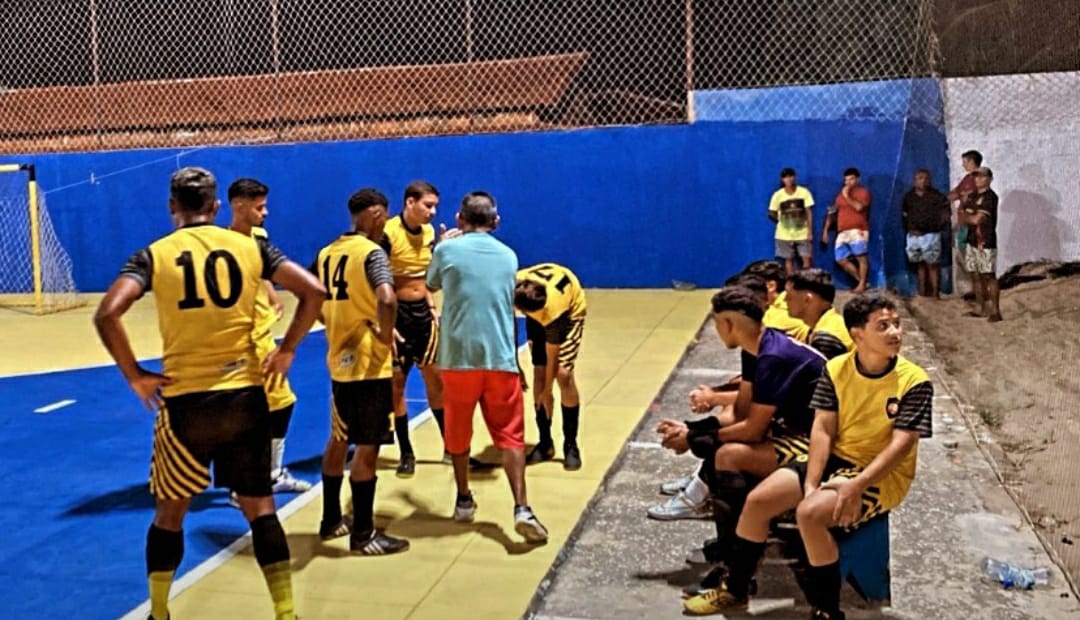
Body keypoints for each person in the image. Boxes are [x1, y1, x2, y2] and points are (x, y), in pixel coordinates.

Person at [93, 167, 326, 620]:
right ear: (216, 207)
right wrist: (289, 349)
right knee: (261, 510)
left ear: (171, 207)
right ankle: (285, 612)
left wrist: (136, 375)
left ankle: (159, 611)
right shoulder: (251, 245)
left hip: (186, 404)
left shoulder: (153, 254)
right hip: (244, 398)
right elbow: (313, 291)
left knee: (169, 514)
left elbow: (107, 314)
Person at [682, 293, 932, 619]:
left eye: (896, 325)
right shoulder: (837, 369)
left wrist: (855, 486)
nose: (895, 333)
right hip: (836, 458)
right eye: (883, 326)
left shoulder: (914, 381)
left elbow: (901, 445)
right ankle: (736, 590)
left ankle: (827, 612)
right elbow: (823, 430)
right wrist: (812, 482)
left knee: (809, 514)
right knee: (758, 502)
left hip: (880, 472)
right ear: (857, 334)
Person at [658, 286, 825, 591]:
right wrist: (688, 429)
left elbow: (752, 430)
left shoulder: (774, 356)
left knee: (728, 455)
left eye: (716, 322)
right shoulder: (756, 348)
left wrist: (694, 438)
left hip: (821, 442)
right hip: (793, 430)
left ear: (730, 324)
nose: (715, 328)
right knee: (720, 448)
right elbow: (739, 413)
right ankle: (732, 551)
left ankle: (736, 566)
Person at [426, 191, 548, 543]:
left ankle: (464, 499)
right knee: (510, 437)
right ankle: (522, 506)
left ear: (460, 220)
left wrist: (440, 244)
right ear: (495, 222)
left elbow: (431, 283)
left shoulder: (447, 250)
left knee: (458, 432)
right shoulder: (509, 256)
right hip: (500, 359)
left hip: (458, 360)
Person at [313, 188, 410, 555]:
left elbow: (313, 295)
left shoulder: (328, 252)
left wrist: (340, 323)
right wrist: (385, 332)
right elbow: (387, 297)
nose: (385, 221)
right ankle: (364, 535)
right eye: (383, 215)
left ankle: (331, 519)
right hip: (369, 365)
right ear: (372, 213)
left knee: (338, 438)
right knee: (367, 448)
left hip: (339, 361)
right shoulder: (372, 253)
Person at [226, 178, 311, 504]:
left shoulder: (259, 237)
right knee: (267, 406)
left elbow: (262, 273)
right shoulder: (227, 243)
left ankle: (266, 474)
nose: (266, 212)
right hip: (247, 338)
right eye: (259, 207)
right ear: (239, 206)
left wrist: (272, 296)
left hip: (262, 330)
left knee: (271, 405)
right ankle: (246, 482)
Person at [379, 180, 445, 476]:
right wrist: (386, 324)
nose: (432, 212)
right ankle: (406, 452)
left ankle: (452, 446)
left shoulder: (430, 234)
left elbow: (425, 278)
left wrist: (432, 309)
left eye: (434, 206)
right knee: (397, 385)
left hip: (423, 315)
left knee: (436, 379)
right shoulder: (388, 234)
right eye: (427, 205)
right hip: (397, 317)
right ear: (409, 203)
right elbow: (377, 283)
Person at [515, 262, 587, 470]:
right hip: (538, 312)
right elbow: (507, 326)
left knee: (563, 375)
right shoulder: (511, 287)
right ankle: (545, 442)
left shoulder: (554, 311)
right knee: (538, 373)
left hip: (570, 313)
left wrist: (547, 392)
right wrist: (515, 364)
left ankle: (570, 444)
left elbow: (552, 357)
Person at [961, 167, 1002, 322]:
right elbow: (964, 217)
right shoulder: (972, 196)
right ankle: (981, 308)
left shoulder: (990, 197)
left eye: (982, 176)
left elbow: (976, 219)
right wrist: (967, 216)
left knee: (989, 275)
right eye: (976, 177)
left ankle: (995, 310)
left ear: (990, 179)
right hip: (972, 240)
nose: (978, 179)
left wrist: (967, 216)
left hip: (985, 242)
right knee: (974, 275)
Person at [901, 169, 950, 298]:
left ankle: (935, 294)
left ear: (929, 180)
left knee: (933, 265)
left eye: (925, 178)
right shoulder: (909, 197)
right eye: (919, 178)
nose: (922, 181)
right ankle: (922, 293)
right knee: (920, 265)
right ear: (915, 180)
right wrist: (909, 229)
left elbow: (945, 215)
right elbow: (905, 214)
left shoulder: (937, 196)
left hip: (931, 235)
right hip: (914, 236)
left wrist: (936, 228)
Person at [821, 168, 872, 292]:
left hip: (858, 229)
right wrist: (825, 231)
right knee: (840, 259)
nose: (848, 182)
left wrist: (847, 196)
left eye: (851, 179)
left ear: (857, 179)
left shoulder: (863, 192)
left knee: (861, 257)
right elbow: (833, 213)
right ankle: (862, 281)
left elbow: (859, 207)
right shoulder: (839, 196)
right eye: (846, 180)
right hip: (842, 231)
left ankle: (861, 285)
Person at [785, 269, 854, 359]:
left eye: (789, 296)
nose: (784, 299)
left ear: (807, 299)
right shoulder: (823, 325)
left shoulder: (826, 339)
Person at [948, 150, 982, 299]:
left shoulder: (979, 179)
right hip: (963, 223)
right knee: (961, 255)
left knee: (969, 256)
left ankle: (977, 289)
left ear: (970, 161)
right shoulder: (967, 179)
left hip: (971, 224)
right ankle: (967, 290)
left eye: (964, 161)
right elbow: (955, 194)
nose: (963, 164)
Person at [769, 167, 816, 275]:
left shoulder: (804, 192)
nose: (789, 179)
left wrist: (810, 231)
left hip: (802, 233)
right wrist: (782, 221)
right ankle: (792, 286)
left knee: (807, 261)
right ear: (782, 180)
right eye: (786, 177)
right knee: (788, 260)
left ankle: (806, 285)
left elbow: (809, 212)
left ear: (795, 177)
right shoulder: (777, 195)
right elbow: (771, 212)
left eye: (791, 176)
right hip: (783, 235)